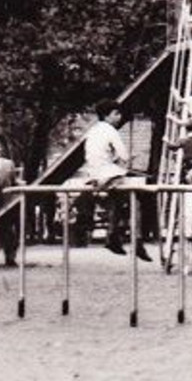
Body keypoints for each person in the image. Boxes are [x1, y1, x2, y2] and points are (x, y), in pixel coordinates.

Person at [79, 101, 151, 261]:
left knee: (116, 201)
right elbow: (124, 155)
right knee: (136, 202)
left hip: (94, 173)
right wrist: (119, 159)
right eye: (116, 114)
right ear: (106, 116)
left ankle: (112, 236)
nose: (119, 117)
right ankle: (137, 241)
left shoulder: (93, 131)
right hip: (108, 173)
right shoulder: (111, 130)